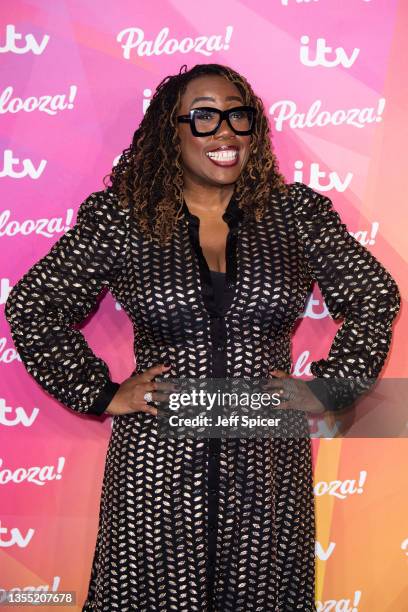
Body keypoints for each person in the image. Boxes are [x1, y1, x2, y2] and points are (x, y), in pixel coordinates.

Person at [5, 63, 400, 611]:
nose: (226, 132)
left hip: (265, 464)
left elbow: (373, 296)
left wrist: (327, 391)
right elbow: (35, 305)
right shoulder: (125, 218)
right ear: (173, 131)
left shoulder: (294, 214)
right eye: (205, 117)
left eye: (238, 115)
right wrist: (103, 391)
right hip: (157, 466)